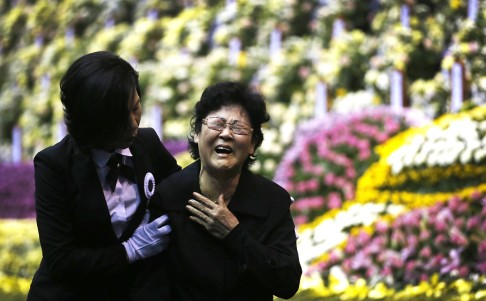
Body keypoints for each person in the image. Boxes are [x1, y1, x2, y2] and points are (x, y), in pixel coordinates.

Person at [27, 51, 181, 301]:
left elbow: (180, 190)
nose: (133, 124)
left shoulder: (147, 143)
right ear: (91, 124)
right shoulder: (53, 166)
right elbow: (61, 261)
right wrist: (129, 250)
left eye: (136, 108)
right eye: (120, 119)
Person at [148, 81, 302, 300]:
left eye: (238, 128)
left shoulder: (272, 201)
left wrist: (235, 235)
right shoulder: (169, 195)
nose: (226, 134)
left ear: (253, 145)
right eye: (217, 124)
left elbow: (287, 283)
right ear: (197, 134)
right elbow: (150, 282)